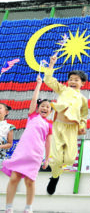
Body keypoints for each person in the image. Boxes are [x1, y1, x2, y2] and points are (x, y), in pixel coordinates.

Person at [2, 74, 52, 213]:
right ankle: (8, 208)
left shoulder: (49, 125)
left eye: (48, 107)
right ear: (37, 108)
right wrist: (38, 84)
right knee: (14, 178)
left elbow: (48, 143)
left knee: (30, 182)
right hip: (22, 152)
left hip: (35, 155)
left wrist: (47, 158)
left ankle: (28, 208)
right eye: (42, 106)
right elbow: (34, 99)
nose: (45, 108)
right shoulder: (32, 116)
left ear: (50, 111)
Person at [44, 53, 88, 195]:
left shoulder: (83, 99)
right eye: (70, 79)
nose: (73, 81)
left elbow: (83, 116)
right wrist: (51, 64)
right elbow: (49, 80)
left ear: (82, 83)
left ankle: (58, 173)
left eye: (76, 80)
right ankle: (55, 177)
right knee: (56, 158)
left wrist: (82, 127)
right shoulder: (63, 89)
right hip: (58, 126)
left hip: (71, 129)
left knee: (69, 159)